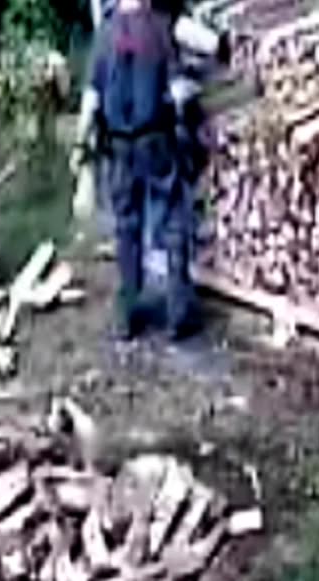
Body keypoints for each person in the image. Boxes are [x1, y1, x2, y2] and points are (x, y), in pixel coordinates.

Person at [70, 0, 202, 343]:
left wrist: (80, 146)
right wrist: (190, 128)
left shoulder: (104, 35)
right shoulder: (160, 28)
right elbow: (178, 93)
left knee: (126, 230)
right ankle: (178, 317)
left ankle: (126, 318)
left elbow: (90, 99)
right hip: (156, 142)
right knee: (174, 222)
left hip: (118, 148)